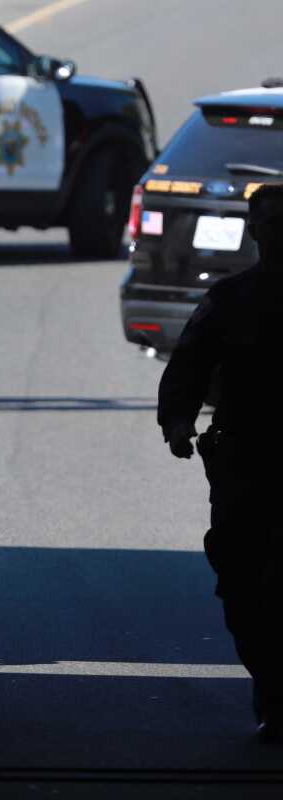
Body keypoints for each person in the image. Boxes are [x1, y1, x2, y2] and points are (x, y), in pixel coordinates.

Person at [158, 182, 283, 740]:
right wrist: (178, 422)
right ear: (255, 231)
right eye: (269, 223)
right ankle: (273, 686)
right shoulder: (232, 299)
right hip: (247, 460)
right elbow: (189, 362)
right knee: (240, 578)